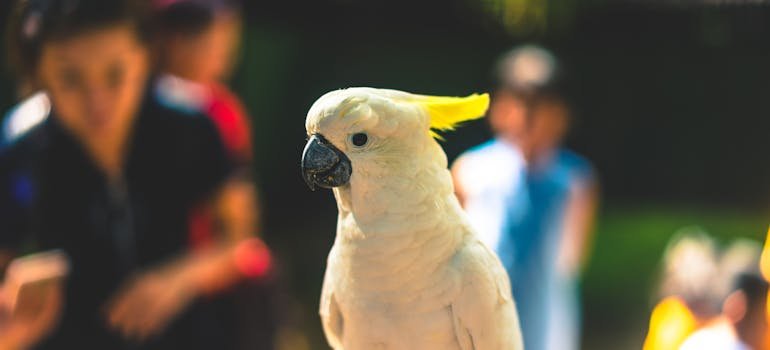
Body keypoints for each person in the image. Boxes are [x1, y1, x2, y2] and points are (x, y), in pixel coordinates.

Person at [0, 0, 270, 348]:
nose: (98, 102)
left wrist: (178, 280)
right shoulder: (18, 149)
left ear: (145, 58)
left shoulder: (194, 124)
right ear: (38, 77)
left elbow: (238, 237)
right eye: (71, 79)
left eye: (115, 75)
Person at [452, 45, 597, 350]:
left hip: (549, 324)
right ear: (497, 109)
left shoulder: (574, 180)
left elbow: (571, 261)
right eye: (521, 104)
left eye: (541, 107)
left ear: (562, 115)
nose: (529, 119)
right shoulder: (471, 171)